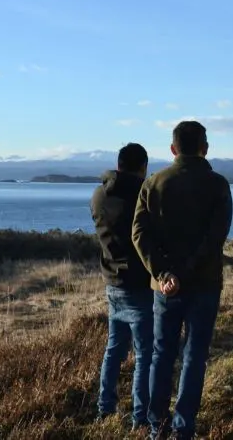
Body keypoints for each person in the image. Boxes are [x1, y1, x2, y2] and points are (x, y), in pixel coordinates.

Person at [132, 120, 233, 440]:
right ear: (205, 147)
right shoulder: (218, 184)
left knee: (161, 354)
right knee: (194, 355)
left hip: (165, 288)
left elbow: (139, 233)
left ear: (173, 149)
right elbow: (215, 237)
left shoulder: (153, 182)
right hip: (203, 284)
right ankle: (182, 428)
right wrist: (185, 272)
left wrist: (164, 273)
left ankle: (155, 428)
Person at [90, 143, 154, 429]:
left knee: (114, 348)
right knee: (145, 355)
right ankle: (139, 418)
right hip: (139, 284)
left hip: (112, 281)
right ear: (142, 167)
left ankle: (105, 408)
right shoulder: (143, 196)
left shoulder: (99, 195)